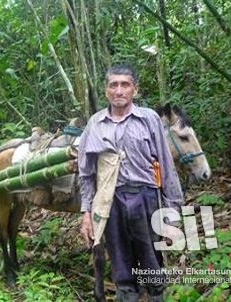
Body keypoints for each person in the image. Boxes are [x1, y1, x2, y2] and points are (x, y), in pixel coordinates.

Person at [78, 64, 183, 301]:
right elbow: (85, 173)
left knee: (152, 264)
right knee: (121, 268)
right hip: (110, 203)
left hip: (145, 199)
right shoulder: (95, 124)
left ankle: (157, 295)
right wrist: (86, 213)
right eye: (113, 85)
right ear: (106, 91)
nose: (119, 90)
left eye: (125, 84)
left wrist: (172, 214)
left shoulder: (149, 119)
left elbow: (167, 168)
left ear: (135, 89)